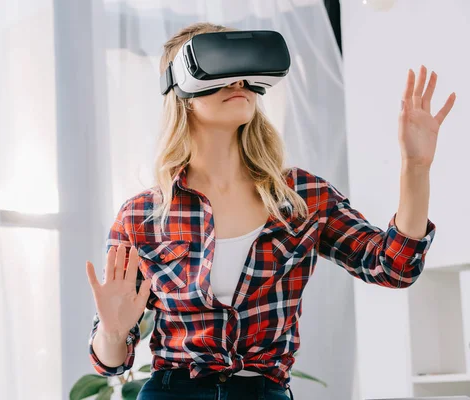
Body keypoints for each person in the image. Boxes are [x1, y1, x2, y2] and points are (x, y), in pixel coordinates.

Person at [84, 22, 456, 400]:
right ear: (181, 88)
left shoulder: (302, 196)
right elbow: (111, 363)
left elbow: (393, 267)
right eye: (222, 69)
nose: (238, 83)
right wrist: (113, 333)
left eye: (245, 73)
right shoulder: (143, 215)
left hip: (265, 391)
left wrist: (416, 167)